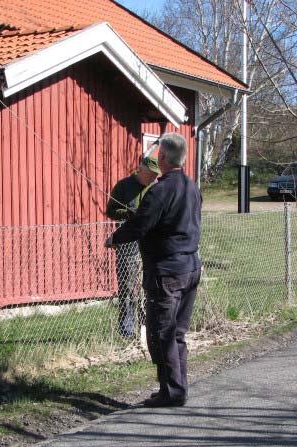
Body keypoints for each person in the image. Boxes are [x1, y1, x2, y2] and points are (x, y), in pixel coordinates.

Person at [105, 133, 202, 407]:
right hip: (191, 267)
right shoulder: (191, 187)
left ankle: (171, 392)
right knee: (177, 333)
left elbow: (142, 224)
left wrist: (115, 238)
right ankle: (176, 388)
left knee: (162, 333)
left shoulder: (160, 190)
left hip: (167, 271)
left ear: (162, 158)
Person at [106, 152, 161, 338]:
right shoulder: (123, 186)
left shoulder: (156, 187)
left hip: (151, 243)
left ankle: (147, 325)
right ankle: (127, 329)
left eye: (156, 175)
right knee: (127, 286)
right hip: (128, 243)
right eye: (151, 173)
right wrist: (130, 213)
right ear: (141, 169)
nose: (154, 177)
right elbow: (111, 211)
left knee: (150, 284)